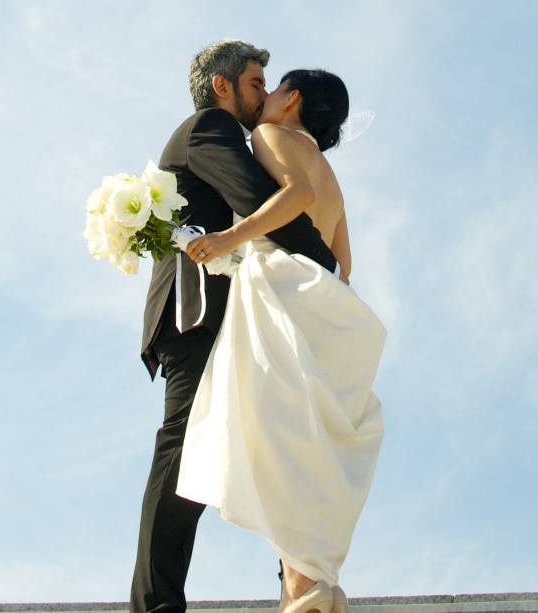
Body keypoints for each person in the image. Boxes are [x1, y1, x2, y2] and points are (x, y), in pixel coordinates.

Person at [131, 41, 339, 613]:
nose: (262, 93)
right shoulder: (206, 130)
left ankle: (300, 590)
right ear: (222, 87)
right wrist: (326, 266)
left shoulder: (238, 136)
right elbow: (255, 197)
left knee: (270, 443)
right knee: (182, 456)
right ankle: (156, 605)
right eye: (254, 82)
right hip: (197, 313)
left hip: (235, 317)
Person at [175, 69, 386, 613]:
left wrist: (228, 237)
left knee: (271, 431)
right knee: (304, 438)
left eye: (270, 90)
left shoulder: (271, 137)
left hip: (283, 288)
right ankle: (311, 575)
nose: (262, 98)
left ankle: (303, 583)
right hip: (328, 302)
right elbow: (343, 257)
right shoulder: (330, 170)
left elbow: (296, 196)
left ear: (291, 100)